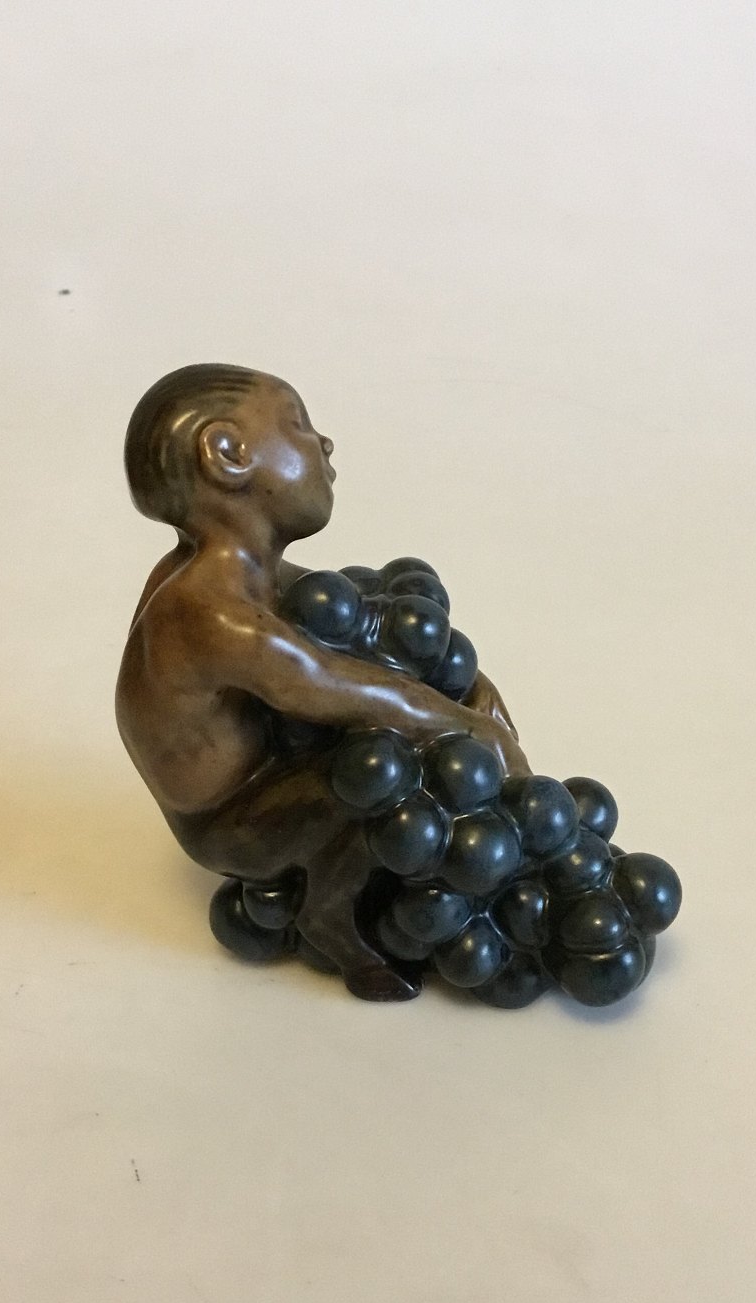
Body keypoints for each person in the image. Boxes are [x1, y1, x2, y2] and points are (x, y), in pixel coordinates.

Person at [117, 363, 527, 999]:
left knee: (401, 725)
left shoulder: (246, 575)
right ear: (227, 454)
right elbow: (327, 683)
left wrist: (465, 691)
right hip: (231, 824)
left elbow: (356, 651)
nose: (324, 443)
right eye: (298, 425)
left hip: (270, 770)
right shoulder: (208, 612)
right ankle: (330, 918)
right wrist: (477, 731)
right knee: (378, 769)